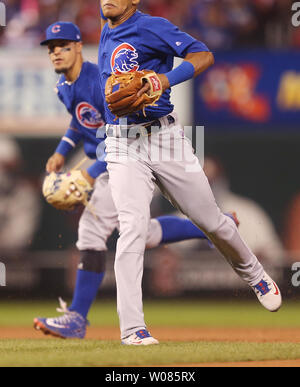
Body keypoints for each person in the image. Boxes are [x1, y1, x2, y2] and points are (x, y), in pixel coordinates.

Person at [95, 0, 282, 346]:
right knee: (131, 228)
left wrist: (164, 79)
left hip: (165, 138)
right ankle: (133, 330)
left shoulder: (152, 27)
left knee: (211, 220)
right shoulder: (107, 25)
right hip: (119, 141)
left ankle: (255, 273)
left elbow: (204, 56)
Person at [33, 21, 235, 339]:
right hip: (104, 159)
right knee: (140, 233)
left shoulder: (96, 80)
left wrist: (91, 171)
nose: (56, 52)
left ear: (77, 47)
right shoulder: (64, 86)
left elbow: (118, 132)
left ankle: (76, 318)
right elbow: (78, 122)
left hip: (124, 156)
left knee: (91, 229)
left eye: (62, 46)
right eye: (50, 47)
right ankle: (214, 225)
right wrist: (62, 150)